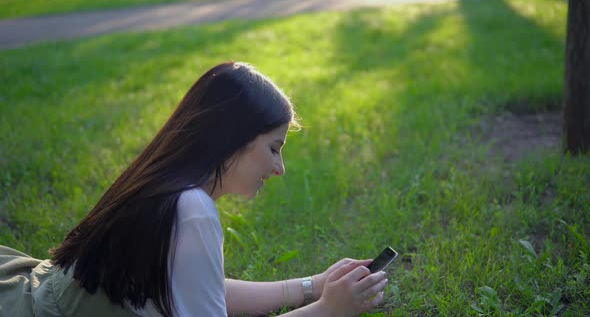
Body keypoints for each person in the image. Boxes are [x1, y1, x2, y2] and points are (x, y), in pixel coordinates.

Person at [0, 62, 389, 317]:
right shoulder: (191, 209)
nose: (279, 168)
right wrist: (327, 311)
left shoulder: (166, 184)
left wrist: (313, 287)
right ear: (233, 137)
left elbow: (201, 289)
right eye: (274, 148)